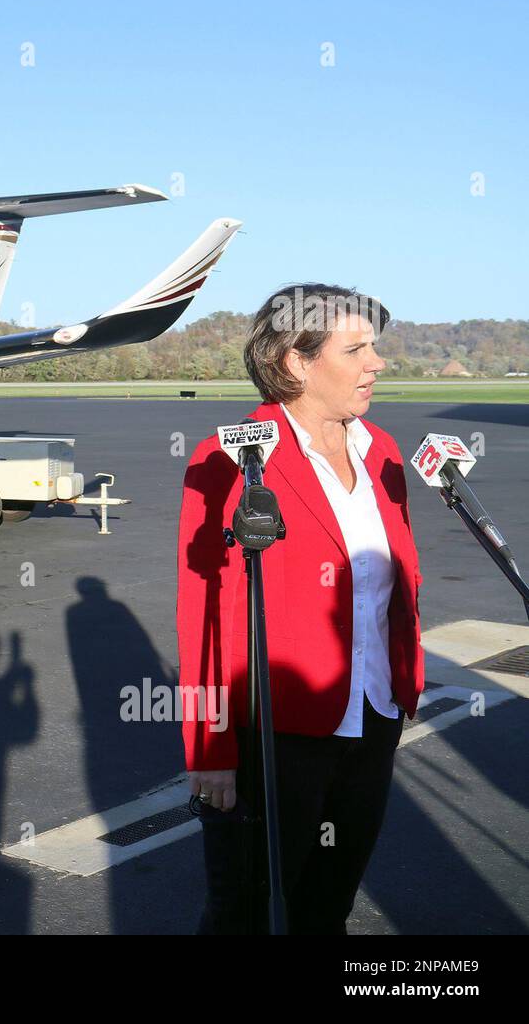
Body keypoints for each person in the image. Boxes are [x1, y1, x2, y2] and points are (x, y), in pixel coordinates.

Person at [176, 283, 425, 934]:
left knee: (328, 906)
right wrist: (210, 750)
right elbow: (205, 614)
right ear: (295, 360)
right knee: (249, 912)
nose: (378, 362)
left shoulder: (384, 453)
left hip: (372, 719)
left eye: (375, 346)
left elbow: (392, 592)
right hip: (274, 735)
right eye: (357, 348)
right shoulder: (235, 455)